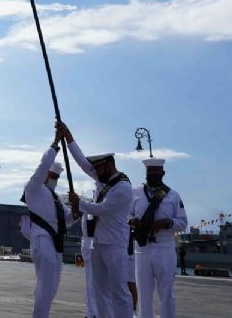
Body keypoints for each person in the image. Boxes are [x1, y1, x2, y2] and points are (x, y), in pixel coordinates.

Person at [58, 122, 133, 318]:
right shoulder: (103, 177)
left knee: (119, 292)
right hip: (97, 244)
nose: (96, 173)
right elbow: (83, 162)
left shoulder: (122, 188)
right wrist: (69, 137)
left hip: (115, 245)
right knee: (99, 290)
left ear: (109, 165)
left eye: (99, 169)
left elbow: (102, 209)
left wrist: (79, 202)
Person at [22, 133, 80, 317]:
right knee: (45, 286)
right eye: (52, 175)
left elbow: (67, 220)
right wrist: (55, 145)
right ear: (46, 174)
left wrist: (78, 211)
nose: (54, 178)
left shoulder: (55, 198)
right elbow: (42, 166)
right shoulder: (34, 188)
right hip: (42, 239)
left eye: (56, 176)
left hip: (56, 244)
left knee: (52, 287)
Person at [129, 158, 187, 318]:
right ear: (146, 172)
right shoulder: (135, 193)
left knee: (166, 291)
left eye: (156, 171)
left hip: (164, 246)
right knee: (143, 292)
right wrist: (131, 220)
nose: (153, 173)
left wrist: (166, 222)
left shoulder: (173, 196)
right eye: (150, 171)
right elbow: (126, 214)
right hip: (142, 247)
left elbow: (183, 223)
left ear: (163, 173)